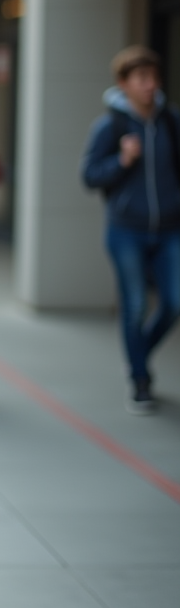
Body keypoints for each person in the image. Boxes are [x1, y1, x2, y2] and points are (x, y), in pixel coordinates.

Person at [81, 45, 180, 414]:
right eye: (142, 78)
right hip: (127, 230)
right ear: (124, 84)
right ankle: (139, 379)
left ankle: (138, 355)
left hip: (170, 228)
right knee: (135, 305)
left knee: (173, 302)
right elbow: (89, 176)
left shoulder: (170, 121)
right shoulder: (110, 126)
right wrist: (122, 161)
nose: (150, 85)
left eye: (154, 77)